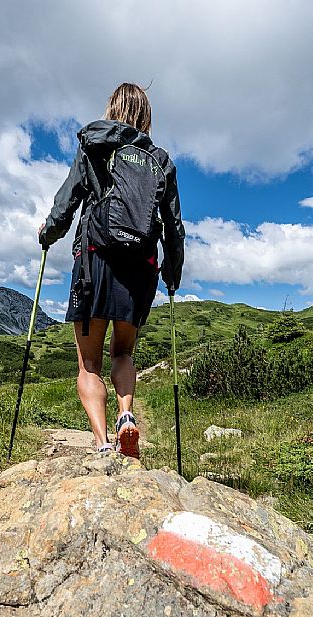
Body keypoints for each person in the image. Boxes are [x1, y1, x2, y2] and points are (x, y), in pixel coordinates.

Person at [38, 83, 185, 458]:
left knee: (89, 364)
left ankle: (103, 442)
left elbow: (68, 200)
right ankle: (126, 416)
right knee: (124, 354)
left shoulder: (96, 144)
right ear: (146, 117)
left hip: (94, 261)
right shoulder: (161, 161)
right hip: (140, 269)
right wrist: (173, 272)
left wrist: (48, 233)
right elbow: (173, 226)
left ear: (112, 108)